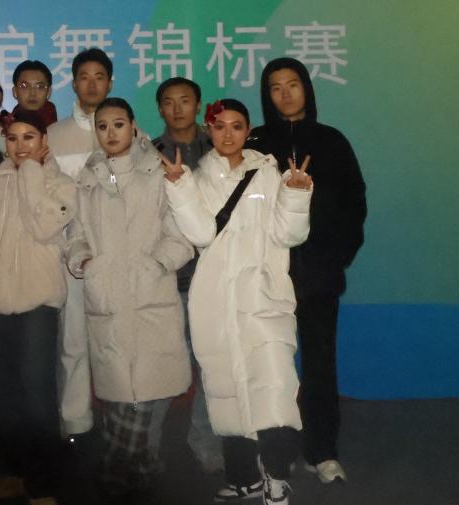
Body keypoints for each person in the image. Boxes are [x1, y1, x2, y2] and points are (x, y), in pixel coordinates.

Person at [162, 98, 313, 505]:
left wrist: (296, 195)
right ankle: (245, 478)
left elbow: (288, 234)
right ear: (208, 130)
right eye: (219, 126)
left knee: (274, 387)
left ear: (248, 131)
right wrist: (179, 188)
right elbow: (201, 234)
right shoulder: (197, 177)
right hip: (216, 299)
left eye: (237, 126)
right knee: (226, 391)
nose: (228, 134)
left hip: (263, 296)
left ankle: (277, 476)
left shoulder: (268, 173)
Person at [65, 98, 194, 501]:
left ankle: (123, 469)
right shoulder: (87, 178)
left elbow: (181, 233)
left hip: (150, 295)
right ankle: (139, 468)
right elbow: (75, 234)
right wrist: (85, 262)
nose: (110, 133)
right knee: (121, 393)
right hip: (107, 297)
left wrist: (156, 264)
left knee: (146, 394)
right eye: (102, 126)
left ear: (134, 126)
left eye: (118, 124)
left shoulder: (159, 171)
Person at [249, 57, 367, 484]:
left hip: (319, 274)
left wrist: (338, 255)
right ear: (267, 95)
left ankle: (323, 451)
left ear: (306, 89)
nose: (285, 94)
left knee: (319, 364)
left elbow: (355, 201)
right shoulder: (255, 142)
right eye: (275, 87)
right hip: (268, 275)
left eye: (292, 84)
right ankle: (275, 451)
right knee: (270, 367)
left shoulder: (332, 141)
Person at [0, 109, 75, 505]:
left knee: (36, 395)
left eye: (29, 137)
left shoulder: (61, 183)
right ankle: (13, 469)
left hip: (38, 301)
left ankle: (43, 482)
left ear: (44, 141)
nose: (20, 145)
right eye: (12, 138)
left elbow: (44, 226)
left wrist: (31, 174)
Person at [151, 76, 223, 474]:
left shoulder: (220, 146)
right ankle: (147, 448)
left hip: (214, 278)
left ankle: (205, 440)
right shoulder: (148, 154)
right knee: (162, 367)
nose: (177, 108)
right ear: (159, 109)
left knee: (211, 367)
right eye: (169, 101)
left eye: (185, 100)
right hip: (169, 280)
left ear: (198, 105)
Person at [46, 47, 113, 442]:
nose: (91, 84)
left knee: (115, 340)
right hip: (69, 254)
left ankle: (118, 419)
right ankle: (75, 422)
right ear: (73, 84)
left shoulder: (129, 130)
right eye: (84, 77)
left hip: (117, 253)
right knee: (73, 341)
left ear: (110, 83)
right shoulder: (54, 135)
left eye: (99, 76)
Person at [11, 60, 57, 125]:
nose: (32, 94)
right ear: (15, 91)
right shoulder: (4, 127)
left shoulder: (61, 129)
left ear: (49, 92)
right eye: (25, 86)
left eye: (40, 87)